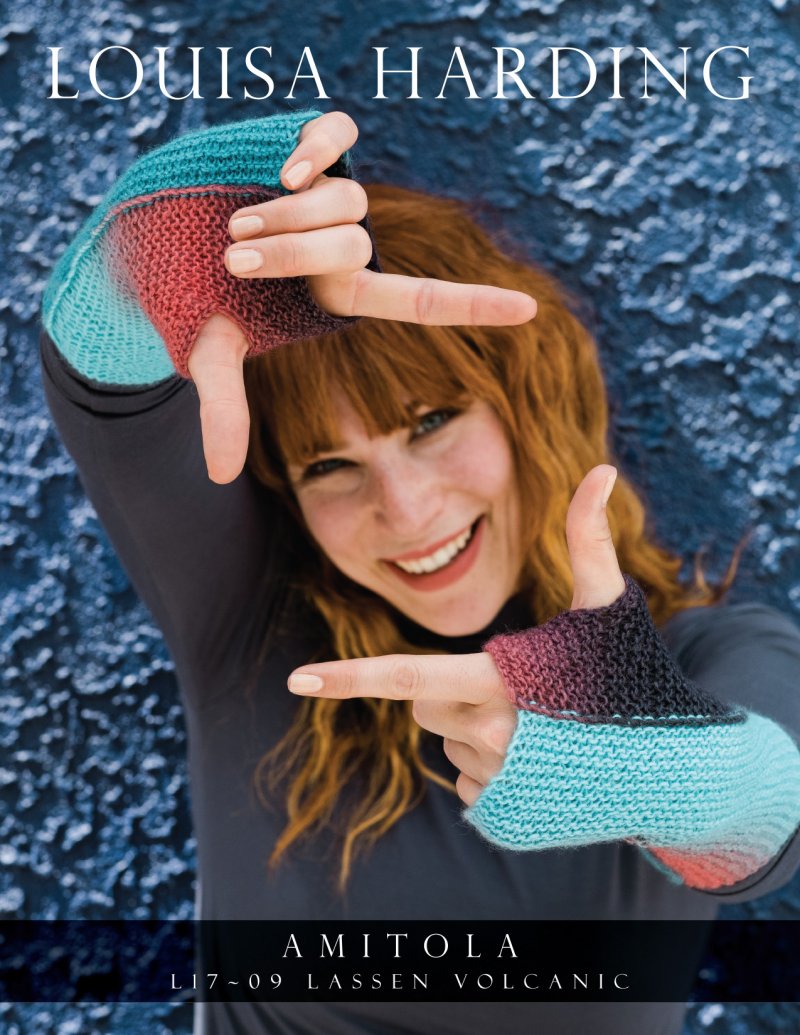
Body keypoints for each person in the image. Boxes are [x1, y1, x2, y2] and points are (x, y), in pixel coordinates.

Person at [40, 109, 800, 1035]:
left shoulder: (706, 655)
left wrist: (642, 767)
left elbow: (770, 803)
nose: (404, 511)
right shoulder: (251, 623)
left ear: (525, 405)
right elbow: (100, 366)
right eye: (330, 466)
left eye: (432, 420)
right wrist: (187, 244)